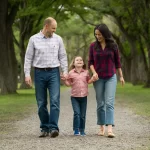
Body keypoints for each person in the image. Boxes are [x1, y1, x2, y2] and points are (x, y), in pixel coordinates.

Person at [24, 17, 68, 138]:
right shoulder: (33, 39)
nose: (54, 31)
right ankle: (44, 127)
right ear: (46, 26)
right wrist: (27, 74)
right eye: (53, 28)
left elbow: (63, 56)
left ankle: (54, 128)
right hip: (39, 73)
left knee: (55, 100)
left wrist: (65, 71)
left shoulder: (58, 39)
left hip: (54, 72)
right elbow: (28, 58)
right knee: (41, 102)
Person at [88, 23, 125, 138]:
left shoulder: (113, 46)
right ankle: (101, 128)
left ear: (105, 33)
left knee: (109, 103)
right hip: (98, 78)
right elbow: (90, 62)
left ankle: (109, 129)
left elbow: (118, 62)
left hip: (110, 77)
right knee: (100, 103)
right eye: (96, 34)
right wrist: (94, 73)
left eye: (99, 34)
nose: (98, 36)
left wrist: (121, 76)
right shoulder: (93, 46)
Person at [61, 56, 93, 136]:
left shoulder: (86, 72)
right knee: (77, 113)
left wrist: (93, 79)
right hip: (74, 97)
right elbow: (68, 84)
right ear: (74, 63)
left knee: (82, 115)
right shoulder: (71, 73)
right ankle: (76, 130)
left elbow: (88, 81)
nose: (79, 61)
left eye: (81, 60)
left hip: (84, 97)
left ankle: (82, 130)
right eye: (77, 60)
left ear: (83, 63)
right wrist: (65, 81)